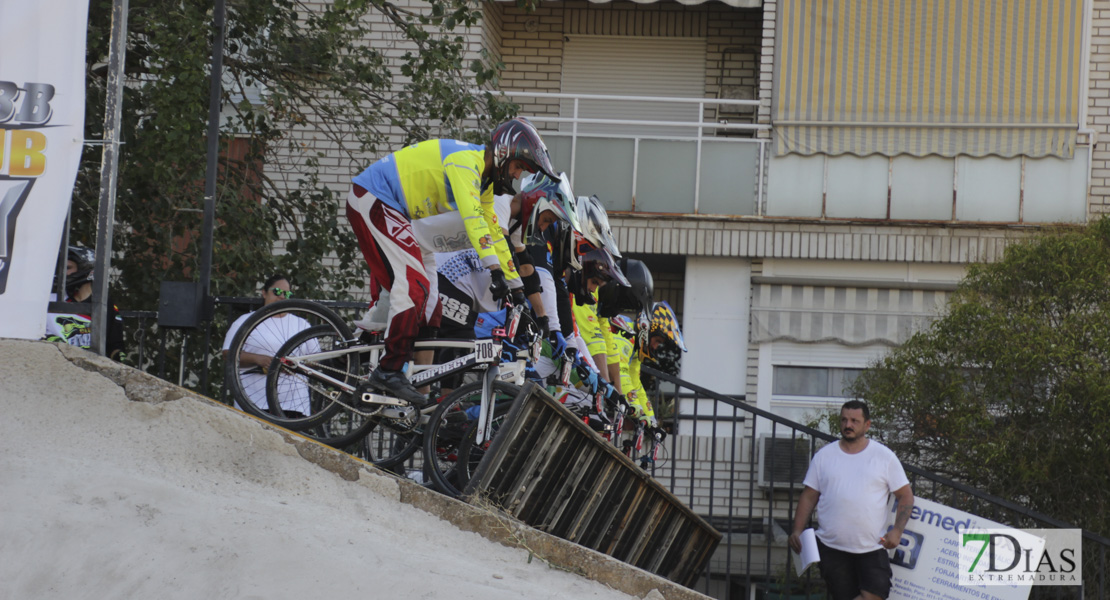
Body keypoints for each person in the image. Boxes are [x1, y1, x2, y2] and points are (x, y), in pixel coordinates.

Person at [346, 118, 559, 405]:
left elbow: (494, 232)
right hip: (374, 196)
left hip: (400, 213)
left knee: (432, 307)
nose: (518, 175)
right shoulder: (465, 163)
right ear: (505, 153)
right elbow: (473, 221)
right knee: (413, 288)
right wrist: (494, 270)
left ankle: (411, 377)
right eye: (518, 167)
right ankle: (388, 370)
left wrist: (517, 288)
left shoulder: (483, 184)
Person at [788, 400, 915, 600]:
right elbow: (809, 495)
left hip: (872, 547)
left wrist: (897, 531)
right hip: (832, 547)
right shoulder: (824, 456)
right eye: (844, 420)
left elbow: (905, 495)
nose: (848, 425)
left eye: (855, 421)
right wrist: (797, 529)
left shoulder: (884, 457)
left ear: (867, 425)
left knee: (875, 595)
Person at [222, 275, 318, 415]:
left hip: (294, 404)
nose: (282, 297)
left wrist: (295, 364)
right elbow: (227, 354)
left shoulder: (301, 324)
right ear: (264, 292)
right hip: (253, 401)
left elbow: (316, 360)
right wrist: (257, 359)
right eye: (277, 292)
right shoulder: (245, 321)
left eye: (287, 293)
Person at [44, 245, 126, 361]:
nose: (61, 272)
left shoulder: (105, 304)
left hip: (93, 371)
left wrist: (120, 358)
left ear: (85, 269)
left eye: (67, 267)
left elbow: (115, 345)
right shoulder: (50, 301)